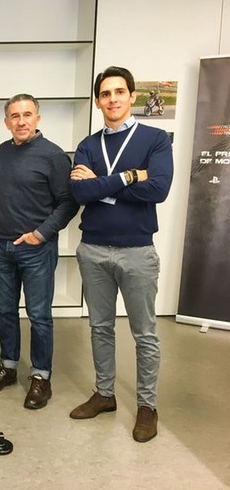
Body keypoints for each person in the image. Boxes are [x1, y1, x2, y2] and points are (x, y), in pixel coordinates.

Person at [68, 66, 173, 442]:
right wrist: (129, 177)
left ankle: (147, 406)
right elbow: (79, 193)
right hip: (93, 249)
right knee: (100, 327)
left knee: (145, 333)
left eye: (118, 92)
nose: (112, 99)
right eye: (105, 94)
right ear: (98, 101)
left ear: (131, 96)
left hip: (137, 251)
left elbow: (158, 189)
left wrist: (101, 184)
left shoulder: (155, 139)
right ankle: (105, 394)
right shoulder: (88, 145)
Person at [0, 93, 78, 410]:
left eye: (27, 115)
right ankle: (8, 366)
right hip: (1, 245)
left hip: (36, 249)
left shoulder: (54, 156)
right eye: (15, 116)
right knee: (4, 311)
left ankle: (40, 376)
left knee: (39, 315)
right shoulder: (4, 151)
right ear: (6, 122)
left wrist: (41, 234)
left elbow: (68, 203)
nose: (21, 121)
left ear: (37, 118)